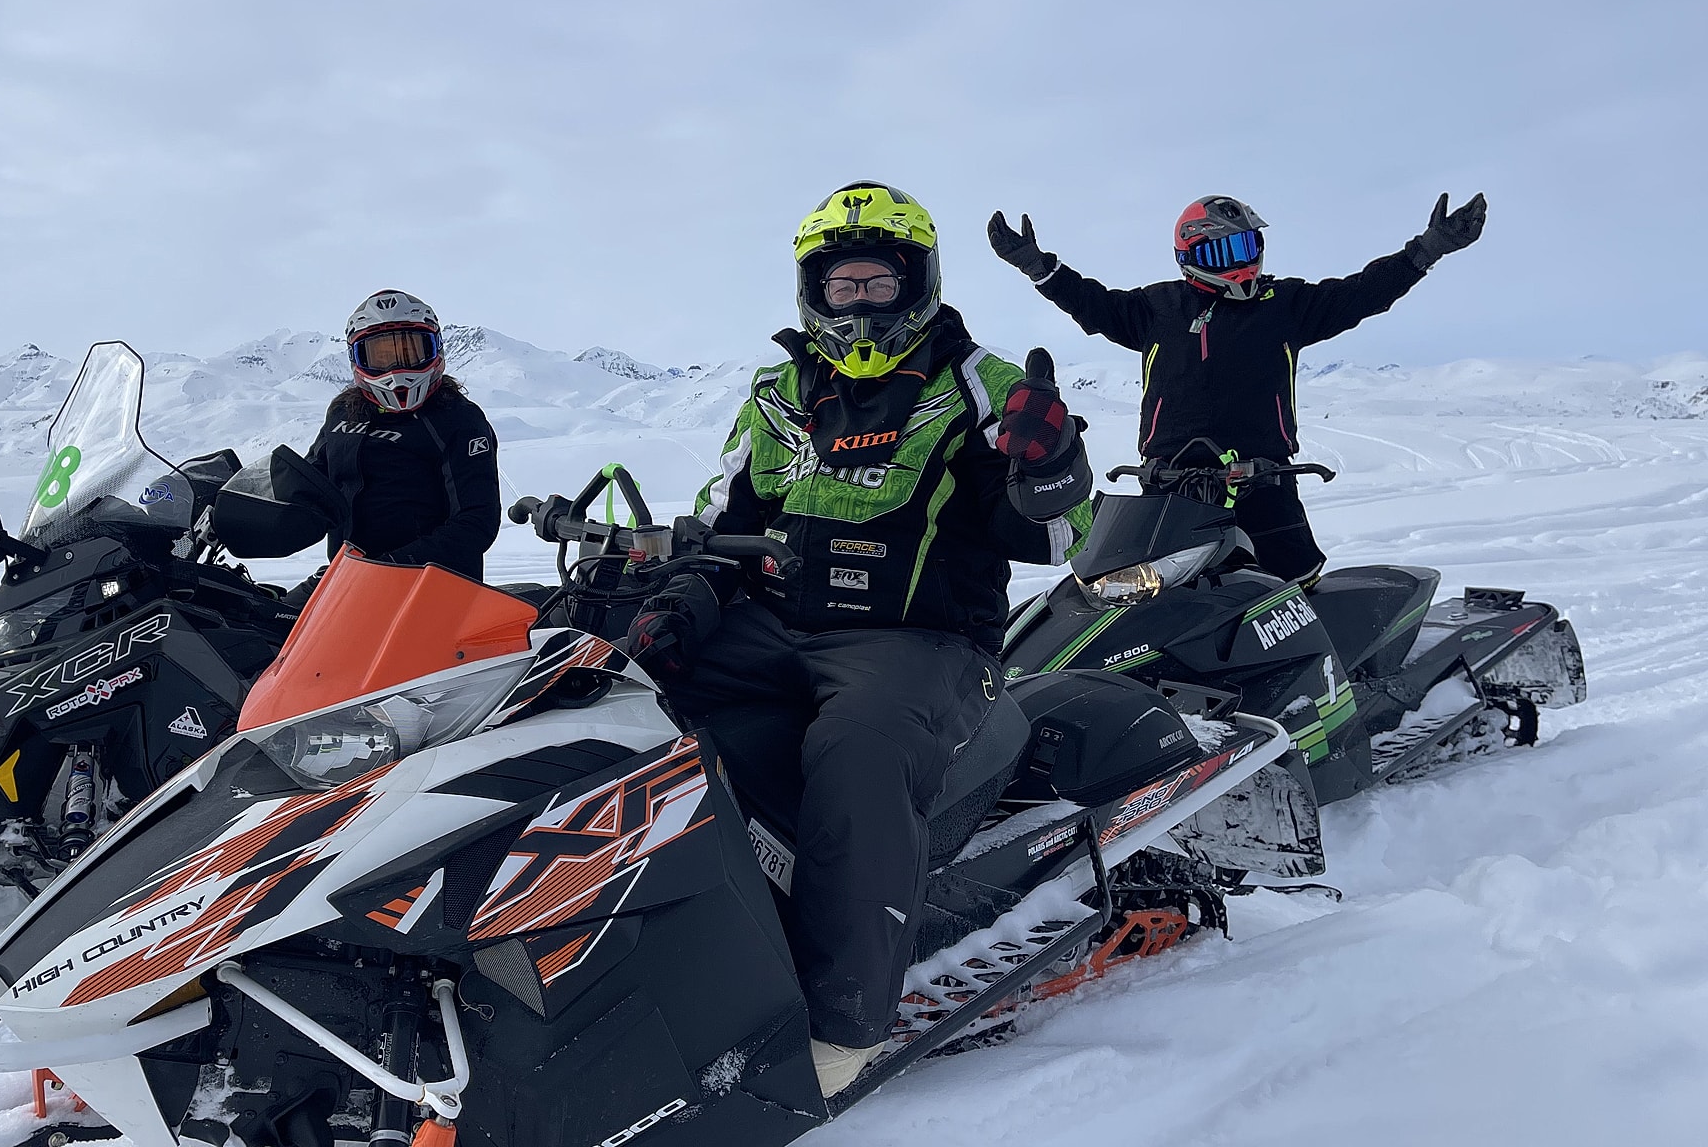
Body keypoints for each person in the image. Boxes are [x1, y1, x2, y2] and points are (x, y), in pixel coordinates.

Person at [632, 182, 1094, 1097]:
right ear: (812, 290)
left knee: (858, 752)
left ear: (916, 281)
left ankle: (844, 1026)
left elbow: (1053, 538)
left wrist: (1048, 468)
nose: (858, 302)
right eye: (840, 285)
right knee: (622, 690)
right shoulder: (778, 390)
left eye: (878, 283)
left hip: (918, 640)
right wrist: (681, 594)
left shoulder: (981, 384)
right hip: (774, 626)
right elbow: (727, 514)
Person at [986, 192, 1487, 586]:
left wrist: (1426, 251)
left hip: (1263, 484)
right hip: (1169, 485)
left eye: (1247, 247)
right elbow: (1090, 303)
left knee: (1295, 594)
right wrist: (1039, 266)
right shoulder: (1156, 308)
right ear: (1190, 256)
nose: (1241, 263)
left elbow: (1361, 293)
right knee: (1149, 597)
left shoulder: (1284, 305)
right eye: (1226, 251)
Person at [304, 289, 501, 579]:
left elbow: (476, 520)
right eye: (381, 356)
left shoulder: (458, 418)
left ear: (436, 349)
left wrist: (395, 565)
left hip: (431, 585)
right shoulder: (342, 414)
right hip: (348, 581)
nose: (397, 367)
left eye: (410, 352)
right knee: (255, 616)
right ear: (357, 358)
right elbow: (310, 487)